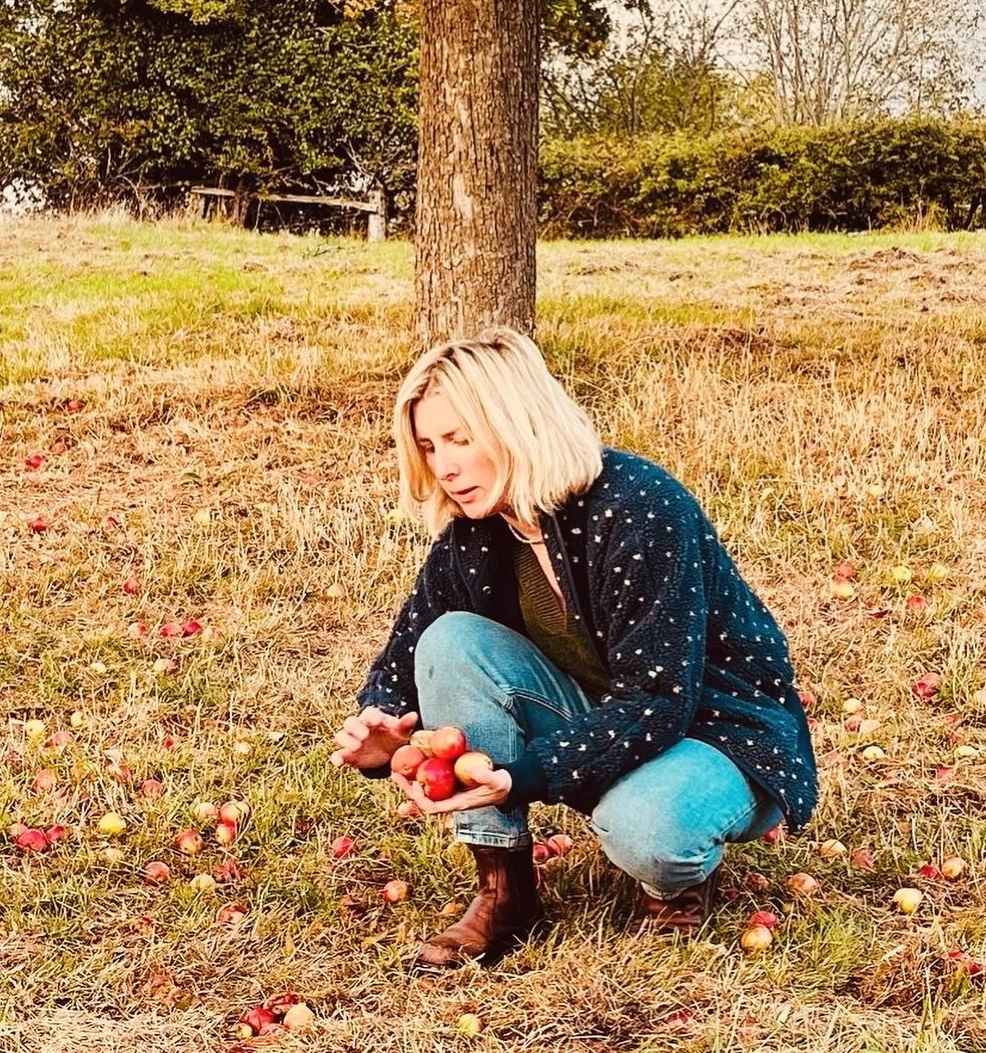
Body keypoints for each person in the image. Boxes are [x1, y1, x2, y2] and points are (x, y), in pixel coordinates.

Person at [329, 327, 817, 968]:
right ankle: (505, 889)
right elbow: (407, 652)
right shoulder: (479, 532)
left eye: (459, 438)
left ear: (516, 422)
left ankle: (674, 880)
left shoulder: (638, 506)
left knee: (645, 830)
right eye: (428, 445)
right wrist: (384, 728)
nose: (444, 465)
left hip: (718, 732)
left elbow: (658, 701)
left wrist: (520, 775)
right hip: (607, 714)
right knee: (450, 640)